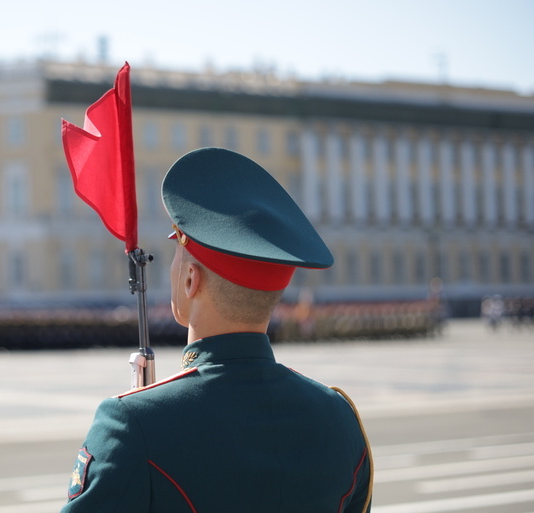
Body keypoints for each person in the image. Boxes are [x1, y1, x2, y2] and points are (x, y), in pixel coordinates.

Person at [61, 147, 373, 512]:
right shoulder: (340, 419)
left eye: (177, 253)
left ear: (191, 279)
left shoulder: (131, 424)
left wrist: (141, 423)